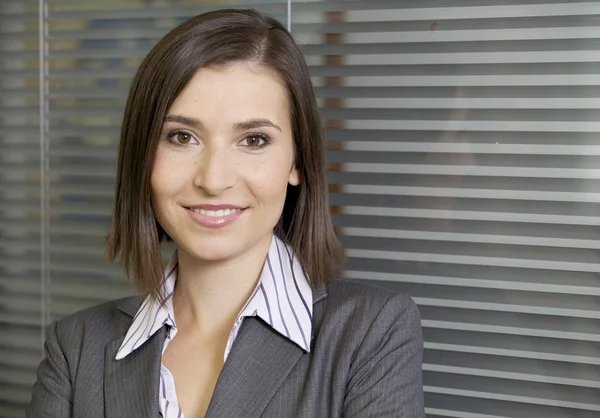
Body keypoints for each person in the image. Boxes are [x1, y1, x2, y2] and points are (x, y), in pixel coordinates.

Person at [27, 9, 424, 418]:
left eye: (253, 140)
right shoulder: (75, 348)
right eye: (182, 137)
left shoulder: (369, 332)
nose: (214, 180)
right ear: (142, 157)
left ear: (296, 161)